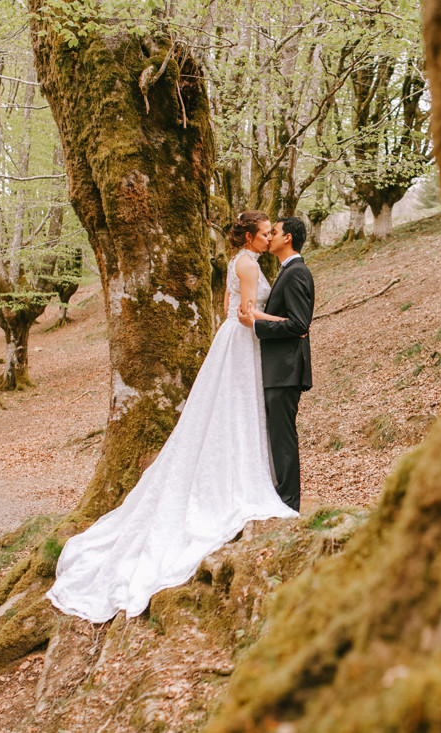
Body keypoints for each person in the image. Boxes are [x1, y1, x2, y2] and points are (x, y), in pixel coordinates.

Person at [47, 210, 297, 623]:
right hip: (243, 341)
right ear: (250, 236)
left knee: (228, 412)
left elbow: (225, 306)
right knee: (234, 411)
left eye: (273, 232)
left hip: (231, 343)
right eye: (266, 232)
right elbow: (245, 314)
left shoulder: (239, 261)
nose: (271, 237)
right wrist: (287, 322)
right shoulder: (249, 264)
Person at [238, 217, 314, 512]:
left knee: (283, 437)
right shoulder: (286, 271)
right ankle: (281, 498)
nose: (270, 237)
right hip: (277, 368)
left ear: (288, 239)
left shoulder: (296, 272)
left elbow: (298, 324)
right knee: (277, 434)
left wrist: (256, 326)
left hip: (285, 369)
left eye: (276, 232)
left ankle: (289, 504)